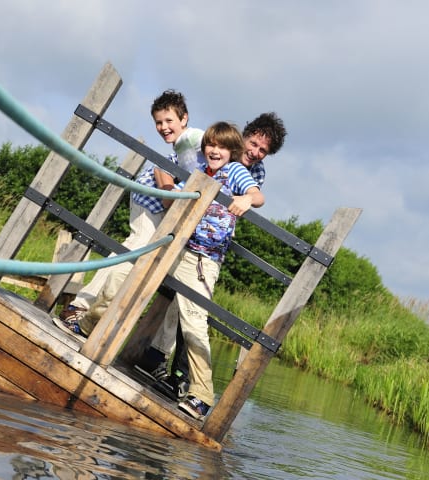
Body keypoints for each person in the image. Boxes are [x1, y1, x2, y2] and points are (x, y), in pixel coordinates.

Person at [147, 112, 287, 401]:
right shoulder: (215, 153)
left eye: (263, 151)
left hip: (209, 246)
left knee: (195, 311)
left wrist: (246, 199)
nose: (255, 152)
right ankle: (157, 359)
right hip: (185, 235)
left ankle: (189, 383)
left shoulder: (250, 172)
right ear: (241, 140)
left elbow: (254, 195)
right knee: (170, 297)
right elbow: (172, 164)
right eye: (253, 144)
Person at [57, 89, 205, 335]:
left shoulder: (189, 143)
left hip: (162, 205)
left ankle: (89, 310)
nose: (163, 127)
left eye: (169, 121)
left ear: (184, 119)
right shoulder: (188, 141)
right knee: (132, 251)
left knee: (133, 255)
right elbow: (163, 170)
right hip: (150, 198)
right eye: (158, 122)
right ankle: (80, 305)